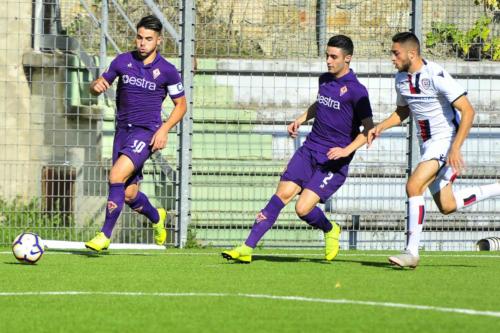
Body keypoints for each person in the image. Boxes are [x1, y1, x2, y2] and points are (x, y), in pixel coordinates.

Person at [221, 35, 374, 263]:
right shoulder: (325, 80)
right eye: (327, 56)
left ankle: (331, 229)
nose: (328, 61)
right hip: (309, 149)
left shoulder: (357, 91)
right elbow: (320, 103)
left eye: (334, 57)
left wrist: (346, 151)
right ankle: (247, 247)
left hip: (333, 161)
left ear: (347, 59)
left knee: (302, 209)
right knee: (281, 194)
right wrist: (301, 118)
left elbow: (369, 129)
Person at [368, 32, 500, 268]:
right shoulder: (400, 79)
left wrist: (455, 148)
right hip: (428, 145)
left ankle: (411, 252)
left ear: (412, 53)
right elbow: (402, 112)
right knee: (447, 206)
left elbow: (468, 111)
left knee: (413, 185)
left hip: (445, 140)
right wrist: (380, 127)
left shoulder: (436, 75)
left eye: (395, 53)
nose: (392, 58)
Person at [85, 15, 187, 252]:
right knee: (130, 195)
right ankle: (157, 217)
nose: (142, 43)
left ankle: (104, 235)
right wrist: (95, 86)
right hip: (122, 131)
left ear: (158, 41)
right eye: (140, 38)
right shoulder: (122, 61)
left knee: (116, 175)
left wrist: (164, 129)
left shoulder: (167, 71)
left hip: (147, 133)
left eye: (148, 39)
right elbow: (97, 86)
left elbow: (181, 105)